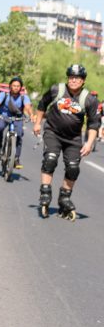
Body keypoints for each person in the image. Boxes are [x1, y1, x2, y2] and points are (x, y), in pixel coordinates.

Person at [33, 64, 100, 220]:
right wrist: (37, 123)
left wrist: (89, 143)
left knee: (73, 168)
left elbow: (93, 124)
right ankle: (45, 192)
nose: (73, 80)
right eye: (71, 77)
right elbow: (42, 104)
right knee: (50, 159)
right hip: (53, 133)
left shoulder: (89, 99)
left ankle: (64, 197)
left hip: (73, 139)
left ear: (83, 81)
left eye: (77, 78)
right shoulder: (57, 90)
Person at [0, 77, 32, 168]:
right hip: (4, 116)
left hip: (18, 118)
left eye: (18, 86)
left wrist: (32, 115)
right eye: (14, 85)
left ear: (21, 87)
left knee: (19, 135)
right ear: (10, 86)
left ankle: (16, 158)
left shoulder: (24, 97)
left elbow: (28, 107)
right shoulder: (4, 94)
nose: (16, 87)